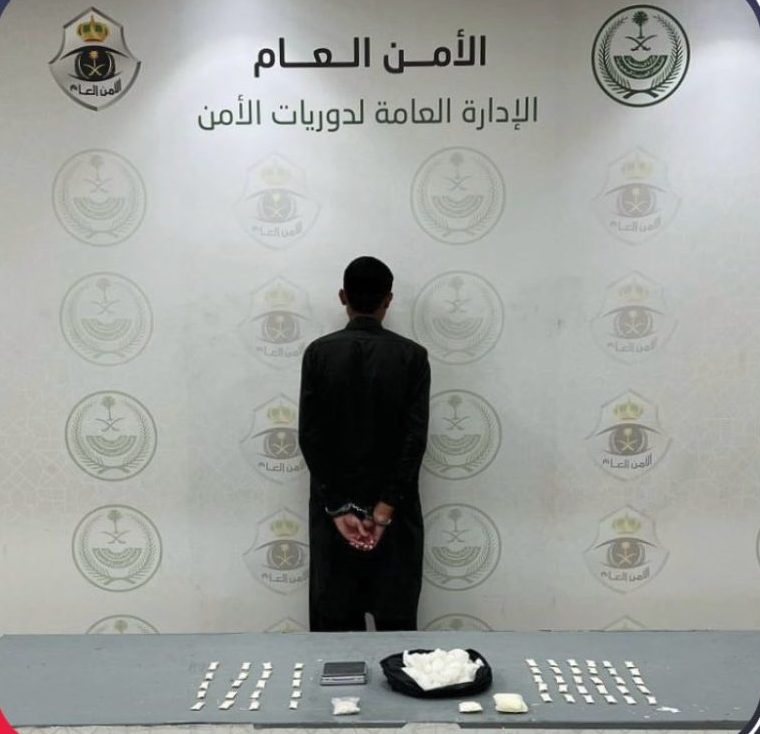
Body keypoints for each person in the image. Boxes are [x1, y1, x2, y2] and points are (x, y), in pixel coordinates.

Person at [298, 256, 431, 632]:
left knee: (334, 642)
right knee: (398, 638)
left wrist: (339, 507)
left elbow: (310, 437)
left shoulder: (319, 354)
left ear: (343, 296)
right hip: (395, 519)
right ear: (389, 300)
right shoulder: (412, 357)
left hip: (334, 521)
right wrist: (384, 510)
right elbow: (414, 441)